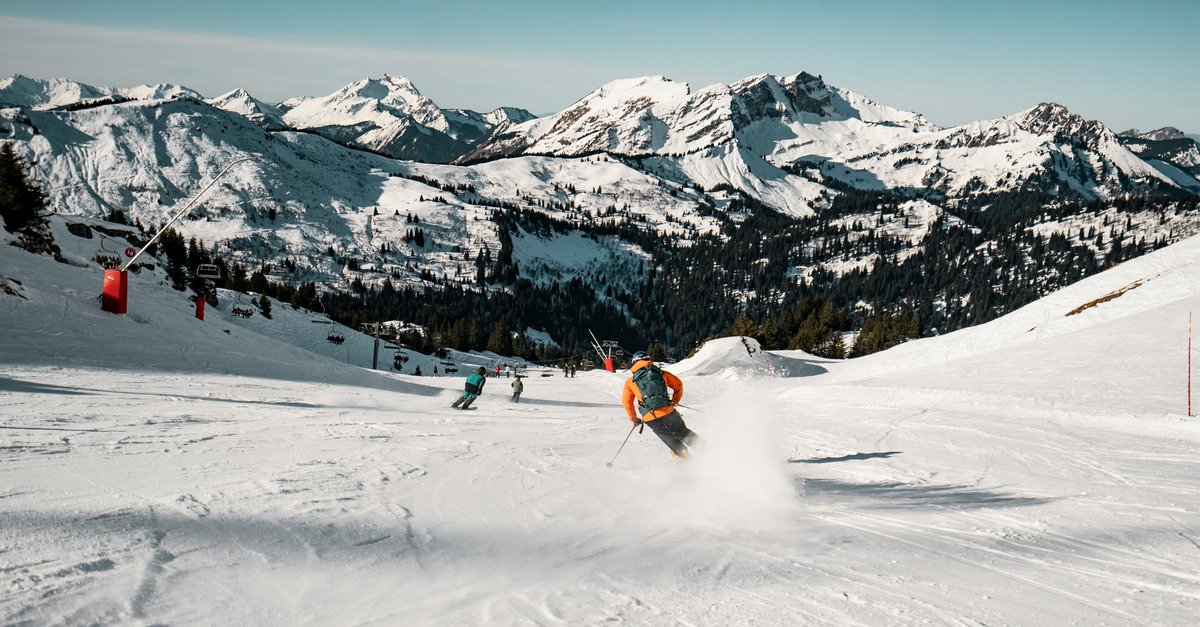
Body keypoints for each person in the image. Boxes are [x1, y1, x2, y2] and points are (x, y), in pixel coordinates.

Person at [621, 351, 696, 458]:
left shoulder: (630, 382)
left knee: (666, 435)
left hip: (650, 416)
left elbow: (627, 402)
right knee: (683, 432)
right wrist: (675, 400)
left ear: (634, 363)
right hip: (668, 411)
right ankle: (705, 449)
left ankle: (683, 454)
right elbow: (678, 385)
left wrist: (634, 419)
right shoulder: (661, 373)